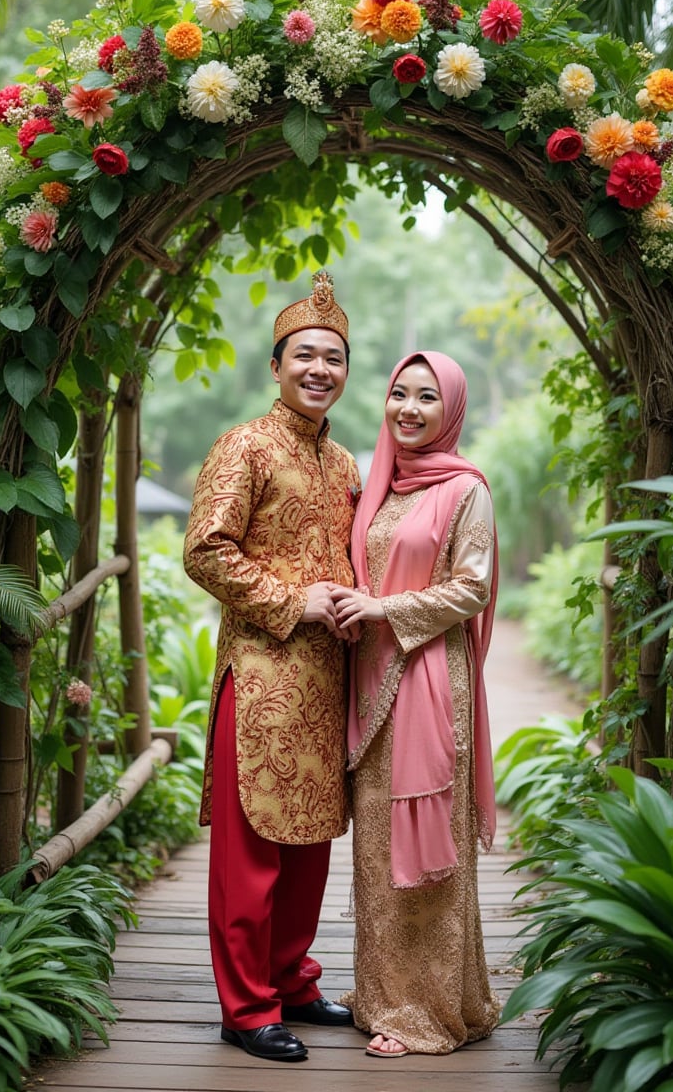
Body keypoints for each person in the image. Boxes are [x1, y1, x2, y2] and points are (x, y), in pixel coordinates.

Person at [183, 271, 360, 1063]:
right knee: (252, 855)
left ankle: (292, 979)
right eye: (305, 355)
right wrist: (296, 602)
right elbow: (204, 550)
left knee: (309, 848)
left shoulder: (347, 463)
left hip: (327, 684)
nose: (319, 369)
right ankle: (246, 1008)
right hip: (260, 677)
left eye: (334, 357)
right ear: (276, 364)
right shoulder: (244, 446)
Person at [330, 350, 500, 1058]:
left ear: (450, 409)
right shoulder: (383, 485)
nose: (408, 408)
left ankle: (423, 1012)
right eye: (399, 393)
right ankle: (383, 995)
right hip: (374, 678)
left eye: (426, 397)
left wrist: (380, 607)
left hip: (431, 679)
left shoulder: (466, 490)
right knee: (376, 846)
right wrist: (351, 612)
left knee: (428, 849)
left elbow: (472, 588)